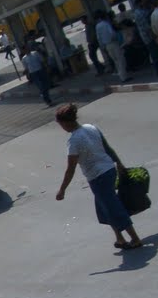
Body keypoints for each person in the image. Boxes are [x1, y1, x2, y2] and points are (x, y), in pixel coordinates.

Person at [54, 103, 142, 251]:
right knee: (104, 207)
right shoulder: (91, 128)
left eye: (61, 124)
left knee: (113, 207)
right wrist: (118, 163)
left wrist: (62, 189)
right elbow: (107, 148)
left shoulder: (74, 141)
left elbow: (70, 169)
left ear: (65, 122)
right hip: (108, 170)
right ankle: (119, 239)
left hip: (98, 177)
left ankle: (135, 238)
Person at [96, 10, 127, 82]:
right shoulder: (106, 24)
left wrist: (102, 46)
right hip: (113, 43)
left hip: (106, 45)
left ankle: (120, 75)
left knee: (115, 60)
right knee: (120, 59)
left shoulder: (97, 26)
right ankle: (124, 77)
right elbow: (112, 33)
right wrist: (117, 39)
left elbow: (99, 37)